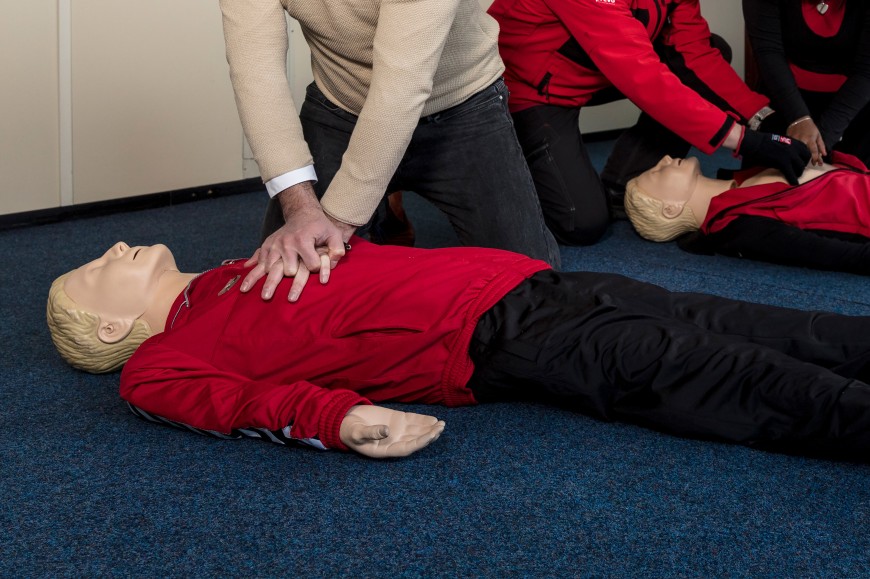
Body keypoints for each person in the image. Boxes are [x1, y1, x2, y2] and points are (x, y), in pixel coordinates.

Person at [47, 239, 870, 460]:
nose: (112, 248)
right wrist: (340, 420)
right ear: (108, 328)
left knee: (752, 321)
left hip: (526, 280)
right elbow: (238, 405)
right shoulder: (156, 365)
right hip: (492, 338)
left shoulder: (236, 267)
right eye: (93, 270)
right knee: (722, 372)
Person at [218, 0, 559, 304]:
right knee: (287, 280)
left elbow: (401, 85)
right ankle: (384, 210)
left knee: (531, 288)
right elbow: (256, 73)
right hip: (340, 107)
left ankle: (379, 197)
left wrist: (335, 223)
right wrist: (301, 210)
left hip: (460, 107)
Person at [486, 0, 811, 244]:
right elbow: (642, 76)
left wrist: (763, 119)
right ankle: (496, 169)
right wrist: (744, 140)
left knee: (710, 51)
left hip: (597, 64)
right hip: (531, 86)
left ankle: (621, 185)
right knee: (580, 224)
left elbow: (694, 53)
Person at [624, 151, 870, 274]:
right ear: (671, 209)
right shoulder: (740, 226)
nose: (665, 158)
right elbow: (834, 254)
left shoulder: (742, 180)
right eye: (656, 172)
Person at [743, 0, 870, 167]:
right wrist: (799, 119)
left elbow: (866, 71)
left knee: (851, 179)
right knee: (769, 178)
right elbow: (769, 52)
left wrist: (820, 141)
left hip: (853, 105)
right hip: (784, 97)